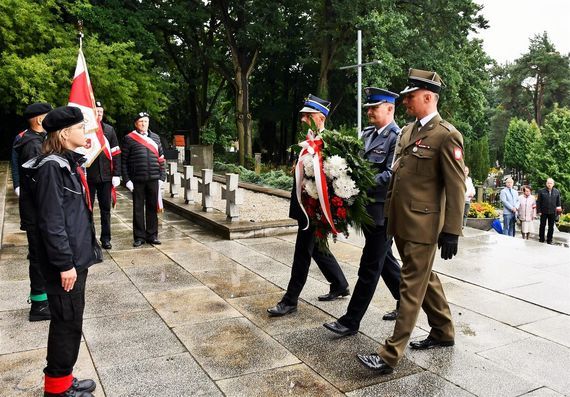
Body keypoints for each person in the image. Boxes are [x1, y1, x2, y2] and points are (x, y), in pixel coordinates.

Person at [357, 68, 465, 374]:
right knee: (424, 278)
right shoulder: (407, 132)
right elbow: (398, 177)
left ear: (428, 97)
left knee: (410, 286)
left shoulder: (446, 136)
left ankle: (390, 355)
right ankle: (443, 331)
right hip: (400, 222)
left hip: (423, 226)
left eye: (411, 97)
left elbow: (456, 187)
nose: (406, 102)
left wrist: (452, 231)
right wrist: (389, 215)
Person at [21, 106, 101, 397]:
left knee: (70, 320)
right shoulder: (52, 167)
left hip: (75, 258)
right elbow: (52, 222)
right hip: (65, 263)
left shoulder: (64, 162)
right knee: (66, 322)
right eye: (81, 128)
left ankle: (64, 379)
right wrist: (65, 263)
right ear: (65, 133)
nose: (85, 132)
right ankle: (57, 389)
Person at [323, 87, 401, 337]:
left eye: (374, 108)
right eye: (367, 108)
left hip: (383, 213)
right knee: (385, 261)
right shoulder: (366, 133)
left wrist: (360, 182)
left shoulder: (396, 138)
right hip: (366, 210)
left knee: (369, 267)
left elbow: (390, 174)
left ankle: (350, 320)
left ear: (389, 108)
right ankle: (407, 301)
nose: (369, 112)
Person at [267, 94, 349, 316]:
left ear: (320, 117)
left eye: (307, 115)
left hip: (316, 208)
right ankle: (339, 283)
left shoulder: (329, 142)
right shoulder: (309, 140)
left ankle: (290, 300)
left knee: (302, 251)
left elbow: (337, 178)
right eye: (303, 115)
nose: (302, 119)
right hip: (306, 206)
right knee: (317, 248)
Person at [12, 102, 53, 321]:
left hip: (37, 209)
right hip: (36, 210)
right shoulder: (32, 144)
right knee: (38, 256)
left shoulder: (36, 140)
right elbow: (39, 180)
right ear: (39, 120)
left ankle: (42, 298)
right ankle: (38, 306)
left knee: (41, 255)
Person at [121, 112, 166, 247]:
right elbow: (124, 162)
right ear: (136, 124)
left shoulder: (156, 138)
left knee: (152, 208)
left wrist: (162, 177)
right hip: (137, 179)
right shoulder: (129, 138)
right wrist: (127, 180)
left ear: (148, 123)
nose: (143, 124)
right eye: (140, 121)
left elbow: (162, 159)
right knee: (138, 208)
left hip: (153, 178)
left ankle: (152, 235)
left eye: (145, 121)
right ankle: (139, 237)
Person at [87, 100, 121, 250]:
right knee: (88, 209)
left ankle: (106, 238)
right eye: (96, 111)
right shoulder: (86, 130)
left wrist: (117, 174)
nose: (99, 114)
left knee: (105, 209)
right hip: (89, 177)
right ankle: (89, 239)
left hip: (106, 177)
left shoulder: (109, 130)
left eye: (101, 112)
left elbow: (116, 153)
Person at [536, 178, 562, 244]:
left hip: (552, 212)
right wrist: (538, 211)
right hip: (543, 212)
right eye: (548, 183)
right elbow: (538, 202)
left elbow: (558, 203)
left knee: (551, 227)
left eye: (551, 183)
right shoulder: (541, 191)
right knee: (542, 225)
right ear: (546, 183)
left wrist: (559, 213)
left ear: (553, 184)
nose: (549, 184)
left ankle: (549, 239)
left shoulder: (557, 191)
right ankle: (541, 238)